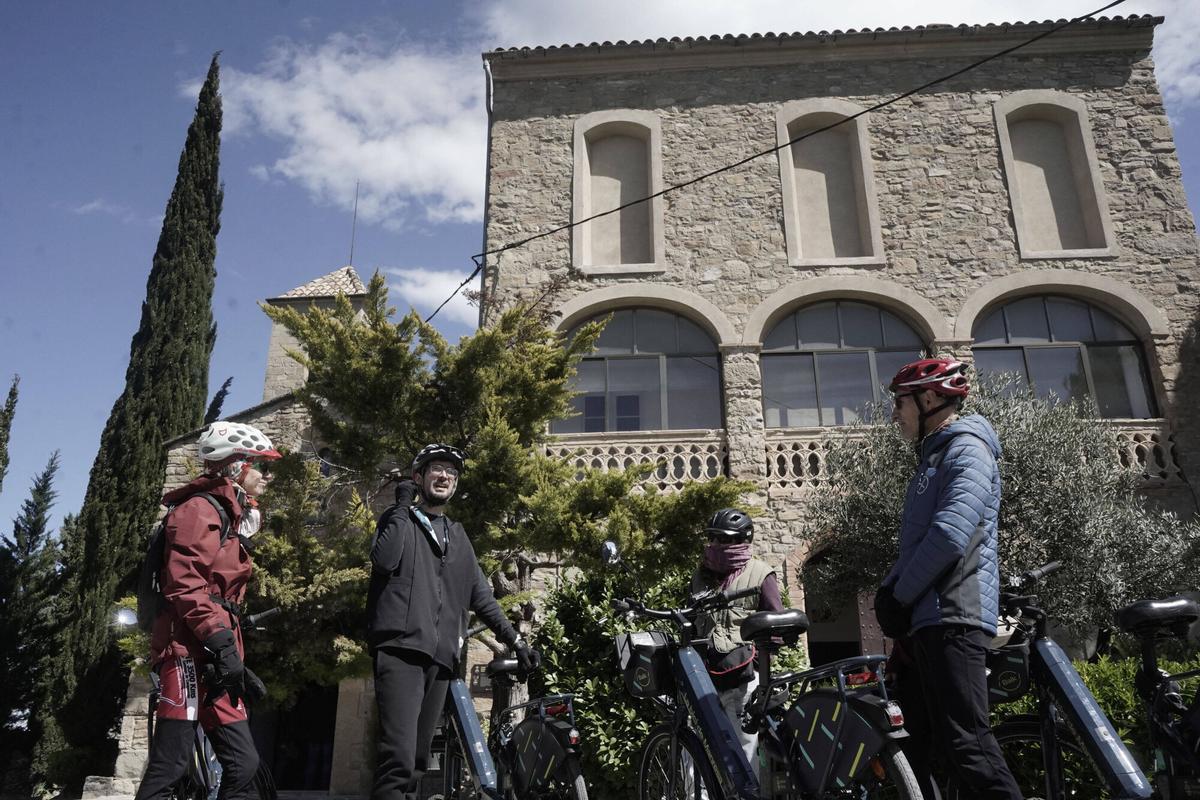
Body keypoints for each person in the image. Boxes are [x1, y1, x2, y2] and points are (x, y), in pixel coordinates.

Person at [874, 358, 1021, 800]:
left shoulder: (968, 449)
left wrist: (899, 595)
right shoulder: (935, 458)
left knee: (968, 745)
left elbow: (949, 535)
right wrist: (890, 590)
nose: (896, 414)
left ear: (931, 398)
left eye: (901, 402)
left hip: (954, 615)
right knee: (917, 744)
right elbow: (919, 543)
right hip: (929, 619)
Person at [368, 443, 540, 800]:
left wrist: (516, 641)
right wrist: (401, 507)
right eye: (436, 469)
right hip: (401, 650)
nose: (444, 476)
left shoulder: (458, 537)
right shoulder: (399, 521)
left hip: (442, 659)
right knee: (397, 759)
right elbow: (384, 561)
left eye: (451, 472)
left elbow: (483, 598)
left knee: (417, 761)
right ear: (418, 478)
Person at [135, 421, 280, 800]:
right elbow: (184, 584)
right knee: (173, 764)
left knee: (245, 766)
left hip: (215, 655)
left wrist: (229, 647)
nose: (267, 475)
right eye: (259, 465)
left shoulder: (228, 517)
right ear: (236, 466)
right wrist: (221, 641)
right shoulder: (199, 509)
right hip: (184, 652)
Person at [691, 508, 784, 776]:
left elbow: (776, 624)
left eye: (725, 539)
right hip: (703, 678)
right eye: (713, 539)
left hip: (743, 678)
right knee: (700, 753)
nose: (717, 545)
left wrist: (757, 659)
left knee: (745, 753)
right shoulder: (700, 576)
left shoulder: (761, 574)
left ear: (742, 540)